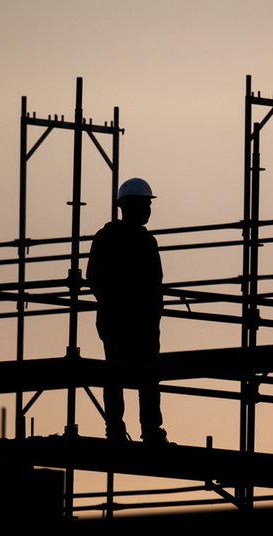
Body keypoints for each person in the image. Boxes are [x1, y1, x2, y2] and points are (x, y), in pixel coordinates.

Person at [86, 177, 170, 445]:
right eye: (146, 204)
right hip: (135, 320)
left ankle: (118, 429)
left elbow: (94, 278)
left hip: (120, 320)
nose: (148, 210)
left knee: (118, 375)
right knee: (143, 376)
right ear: (134, 206)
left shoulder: (107, 238)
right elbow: (155, 282)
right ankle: (148, 430)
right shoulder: (141, 242)